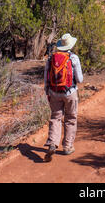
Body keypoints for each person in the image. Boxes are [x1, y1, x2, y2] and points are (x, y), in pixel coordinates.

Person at [44, 33, 83, 162]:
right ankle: (67, 146)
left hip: (54, 92)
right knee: (70, 118)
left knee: (55, 118)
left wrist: (47, 91)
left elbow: (46, 78)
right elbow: (80, 79)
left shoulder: (51, 59)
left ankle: (52, 143)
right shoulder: (74, 58)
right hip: (70, 92)